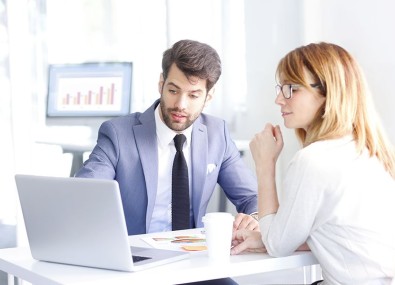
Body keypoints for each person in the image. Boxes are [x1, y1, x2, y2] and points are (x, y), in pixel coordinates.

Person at [230, 42, 395, 285]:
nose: (279, 98)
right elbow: (346, 237)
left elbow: (278, 245)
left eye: (291, 88)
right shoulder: (370, 150)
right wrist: (262, 237)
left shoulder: (314, 160)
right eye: (281, 87)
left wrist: (265, 165)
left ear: (328, 93)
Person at [75, 39, 258, 236]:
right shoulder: (118, 134)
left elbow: (251, 197)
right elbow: (86, 195)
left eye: (194, 96)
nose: (180, 104)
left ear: (208, 96)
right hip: (136, 254)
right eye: (173, 90)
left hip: (193, 254)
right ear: (161, 84)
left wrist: (253, 218)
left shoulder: (217, 133)